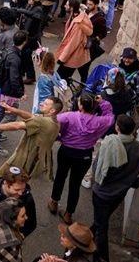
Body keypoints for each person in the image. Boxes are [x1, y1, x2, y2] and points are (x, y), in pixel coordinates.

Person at [90, 114, 139, 262]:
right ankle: (87, 235)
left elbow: (97, 168)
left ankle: (102, 258)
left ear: (117, 127)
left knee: (102, 228)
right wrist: (135, 182)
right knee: (101, 220)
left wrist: (134, 183)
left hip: (102, 193)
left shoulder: (109, 144)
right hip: (119, 194)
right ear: (133, 130)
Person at [50, 94, 114, 225]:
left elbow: (53, 122)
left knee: (60, 176)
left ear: (80, 106)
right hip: (84, 155)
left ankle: (54, 202)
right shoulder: (99, 121)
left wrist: (59, 137)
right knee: (75, 184)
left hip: (66, 151)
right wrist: (103, 103)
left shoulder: (69, 116)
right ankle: (69, 214)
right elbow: (110, 117)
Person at [0, 98, 61, 182]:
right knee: (18, 182)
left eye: (46, 104)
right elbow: (32, 116)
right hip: (34, 160)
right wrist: (13, 110)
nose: (41, 104)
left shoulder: (42, 122)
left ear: (52, 110)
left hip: (23, 158)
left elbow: (17, 125)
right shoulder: (56, 123)